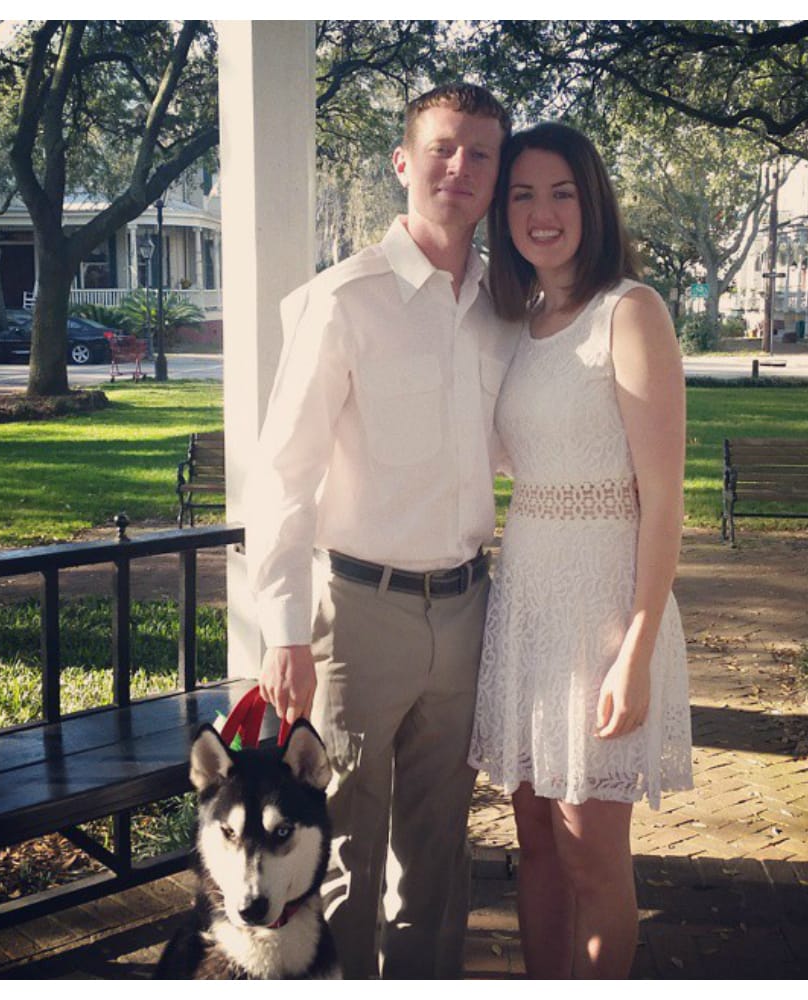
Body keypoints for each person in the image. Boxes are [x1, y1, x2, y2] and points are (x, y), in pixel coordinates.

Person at [247, 81, 516, 979]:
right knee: (343, 858)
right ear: (405, 161)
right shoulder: (344, 299)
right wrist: (283, 631)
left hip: (468, 605)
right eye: (443, 147)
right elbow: (283, 472)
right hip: (360, 618)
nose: (460, 167)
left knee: (439, 855)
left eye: (481, 153)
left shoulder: (499, 310)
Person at [467, 121, 696, 979]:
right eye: (522, 194)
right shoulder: (519, 320)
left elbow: (664, 498)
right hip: (527, 605)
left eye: (561, 191)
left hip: (603, 614)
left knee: (590, 851)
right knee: (534, 843)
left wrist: (635, 648)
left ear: (591, 199)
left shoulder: (629, 312)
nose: (542, 211)